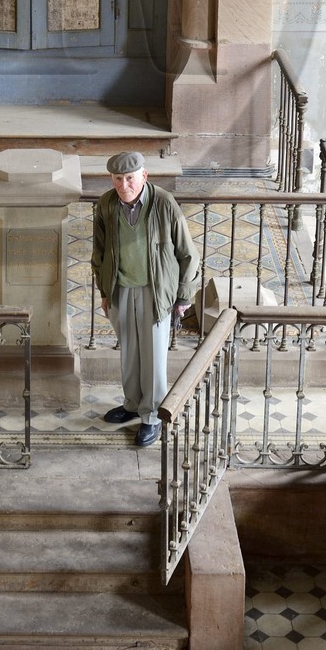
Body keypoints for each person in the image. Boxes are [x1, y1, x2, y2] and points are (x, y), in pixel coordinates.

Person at [91, 150, 200, 447]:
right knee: (129, 351)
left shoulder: (164, 203)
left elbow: (188, 254)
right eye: (118, 178)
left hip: (156, 291)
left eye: (130, 178)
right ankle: (131, 405)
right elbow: (99, 254)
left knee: (153, 357)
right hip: (121, 288)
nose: (124, 184)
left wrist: (183, 295)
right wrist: (104, 291)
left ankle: (151, 416)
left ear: (144, 176)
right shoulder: (106, 205)